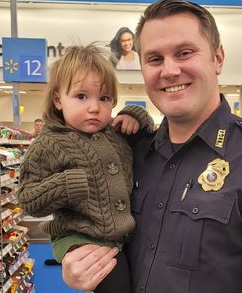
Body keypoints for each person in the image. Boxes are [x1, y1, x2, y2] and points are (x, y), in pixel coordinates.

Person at [61, 0, 242, 293]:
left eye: (184, 53)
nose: (170, 71)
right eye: (155, 59)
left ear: (218, 58)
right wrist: (79, 265)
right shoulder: (132, 155)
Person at [18, 44, 153, 293]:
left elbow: (150, 140)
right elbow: (28, 199)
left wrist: (136, 116)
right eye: (81, 97)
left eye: (104, 98)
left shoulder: (114, 134)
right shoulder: (50, 143)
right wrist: (65, 185)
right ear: (58, 99)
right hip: (80, 238)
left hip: (124, 237)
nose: (94, 107)